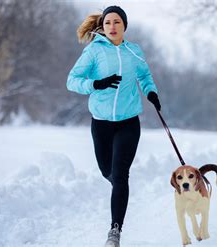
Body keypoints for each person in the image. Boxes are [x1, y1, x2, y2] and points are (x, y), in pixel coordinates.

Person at [66, 5, 161, 247]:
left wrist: (151, 93)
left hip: (129, 123)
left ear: (124, 26)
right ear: (103, 26)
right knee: (107, 171)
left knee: (120, 176)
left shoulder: (134, 51)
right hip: (101, 124)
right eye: (108, 22)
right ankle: (119, 188)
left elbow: (145, 77)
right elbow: (72, 81)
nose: (112, 26)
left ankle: (114, 231)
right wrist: (96, 84)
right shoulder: (94, 51)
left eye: (117, 22)